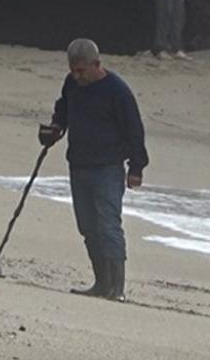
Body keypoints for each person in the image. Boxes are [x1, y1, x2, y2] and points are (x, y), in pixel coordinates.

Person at [40, 38, 149, 302]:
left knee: (108, 225)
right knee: (87, 226)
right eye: (73, 70)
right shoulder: (71, 84)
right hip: (78, 165)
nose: (77, 76)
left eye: (81, 71)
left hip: (108, 169)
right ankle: (101, 283)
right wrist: (55, 128)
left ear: (96, 64)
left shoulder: (117, 91)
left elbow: (134, 129)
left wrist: (136, 167)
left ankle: (117, 288)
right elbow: (63, 109)